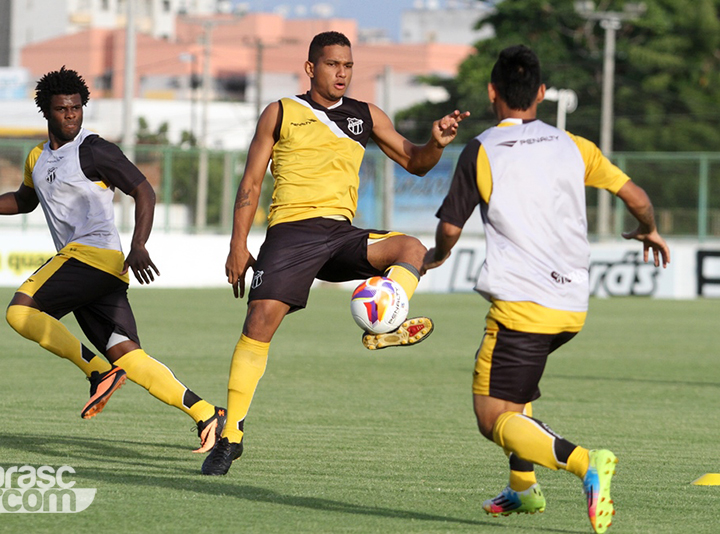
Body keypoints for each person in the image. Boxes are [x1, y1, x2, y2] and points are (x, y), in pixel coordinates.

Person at [422, 45, 670, 534]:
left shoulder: (481, 149)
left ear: (493, 93)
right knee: (515, 396)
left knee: (491, 415)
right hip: (572, 306)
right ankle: (522, 489)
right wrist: (648, 228)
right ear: (540, 93)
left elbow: (450, 228)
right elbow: (637, 197)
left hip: (521, 307)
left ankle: (586, 463)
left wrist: (439, 255)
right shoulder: (573, 145)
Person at [201, 30, 469, 476]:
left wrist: (436, 142)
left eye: (347, 65)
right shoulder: (281, 112)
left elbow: (417, 162)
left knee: (411, 247)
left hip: (341, 234)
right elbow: (250, 182)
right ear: (310, 68)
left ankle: (386, 324)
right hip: (290, 233)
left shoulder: (365, 116)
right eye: (332, 64)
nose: (341, 72)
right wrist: (237, 245)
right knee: (259, 322)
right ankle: (231, 438)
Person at [0, 66, 225, 453]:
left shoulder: (94, 149)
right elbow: (25, 201)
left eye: (76, 107)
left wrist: (139, 244)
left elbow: (144, 190)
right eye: (62, 109)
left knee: (20, 311)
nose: (71, 114)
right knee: (132, 358)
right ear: (46, 112)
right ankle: (207, 413)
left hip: (93, 256)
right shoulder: (37, 157)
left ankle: (96, 371)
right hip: (98, 274)